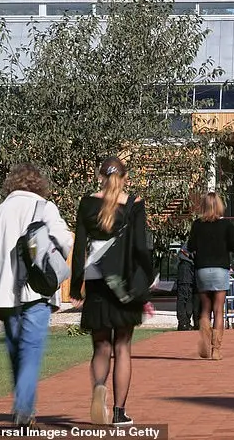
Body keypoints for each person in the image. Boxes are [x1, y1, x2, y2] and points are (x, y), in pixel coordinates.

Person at [0, 163, 72, 427]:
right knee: (30, 350)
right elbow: (65, 240)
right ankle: (23, 407)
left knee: (16, 352)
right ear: (38, 183)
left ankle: (23, 405)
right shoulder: (45, 208)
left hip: (5, 296)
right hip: (37, 291)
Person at [70, 156, 153, 426]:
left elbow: (80, 244)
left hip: (96, 279)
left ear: (99, 176)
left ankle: (98, 389)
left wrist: (75, 286)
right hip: (124, 282)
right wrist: (146, 281)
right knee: (123, 346)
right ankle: (119, 413)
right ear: (125, 177)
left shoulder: (86, 203)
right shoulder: (134, 204)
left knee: (101, 345)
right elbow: (141, 247)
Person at [187, 192, 234, 361]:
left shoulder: (197, 224)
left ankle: (205, 338)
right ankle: (216, 350)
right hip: (220, 269)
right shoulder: (227, 225)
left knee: (205, 308)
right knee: (218, 310)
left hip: (202, 269)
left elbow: (191, 246)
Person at [176, 243, 200, 331]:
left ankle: (186, 322)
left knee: (189, 297)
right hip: (186, 267)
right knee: (184, 296)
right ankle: (183, 323)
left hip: (191, 268)